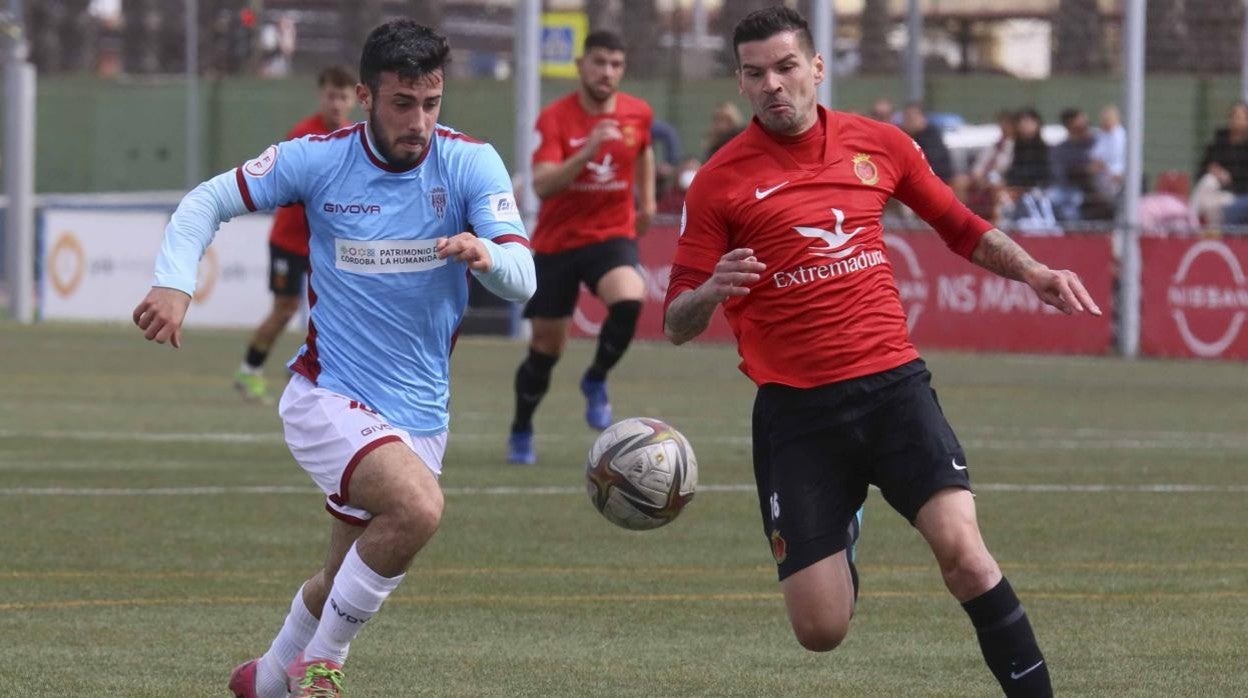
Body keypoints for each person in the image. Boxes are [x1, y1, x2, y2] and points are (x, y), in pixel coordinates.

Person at [664, 7, 1101, 696]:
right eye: (756, 73)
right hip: (797, 415)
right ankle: (846, 527)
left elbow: (960, 227)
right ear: (741, 84)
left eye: (785, 67)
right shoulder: (719, 182)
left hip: (894, 388)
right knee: (821, 630)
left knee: (965, 556)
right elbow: (675, 322)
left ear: (815, 68)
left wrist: (1033, 272)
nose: (774, 84)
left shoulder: (880, 145)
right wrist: (712, 290)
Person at [133, 20, 534, 698]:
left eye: (432, 103)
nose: (420, 120)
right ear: (365, 96)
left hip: (422, 413)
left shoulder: (471, 162)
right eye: (403, 103)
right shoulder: (318, 159)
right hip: (328, 394)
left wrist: (487, 253)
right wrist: (174, 279)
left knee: (342, 572)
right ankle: (323, 666)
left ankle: (262, 681)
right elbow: (209, 200)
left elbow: (523, 276)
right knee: (418, 508)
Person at [507, 30, 656, 465]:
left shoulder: (637, 113)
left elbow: (643, 150)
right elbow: (542, 184)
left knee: (630, 298)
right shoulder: (554, 119)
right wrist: (588, 150)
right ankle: (521, 428)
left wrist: (645, 201)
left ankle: (596, 378)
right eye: (599, 63)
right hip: (557, 244)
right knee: (546, 350)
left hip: (611, 236)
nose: (607, 72)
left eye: (615, 64)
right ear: (581, 66)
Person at [233, 64, 357, 404]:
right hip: (290, 240)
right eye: (331, 95)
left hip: (326, 244)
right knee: (285, 309)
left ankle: (314, 367)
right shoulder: (304, 134)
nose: (336, 103)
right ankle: (249, 369)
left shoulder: (353, 137)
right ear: (322, 96)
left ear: (354, 100)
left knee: (337, 308)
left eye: (343, 97)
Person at [1192, 101, 1248, 227]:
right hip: (1214, 194)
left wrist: (1228, 178)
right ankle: (1194, 224)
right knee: (1208, 180)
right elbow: (1201, 172)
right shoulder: (1218, 143)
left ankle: (1210, 230)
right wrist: (1213, 170)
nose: (1237, 121)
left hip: (1237, 195)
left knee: (1219, 206)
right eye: (1234, 117)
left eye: (1241, 117)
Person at [902, 102, 953, 182]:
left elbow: (934, 164)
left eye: (913, 118)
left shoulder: (931, 136)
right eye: (907, 118)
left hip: (935, 179)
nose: (909, 122)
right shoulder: (903, 136)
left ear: (923, 118)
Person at [1090, 104, 1126, 201]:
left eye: (1108, 119)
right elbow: (1095, 156)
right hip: (1099, 177)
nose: (1105, 122)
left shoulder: (1120, 137)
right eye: (1103, 119)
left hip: (1115, 177)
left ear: (1117, 119)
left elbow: (1109, 159)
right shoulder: (1101, 135)